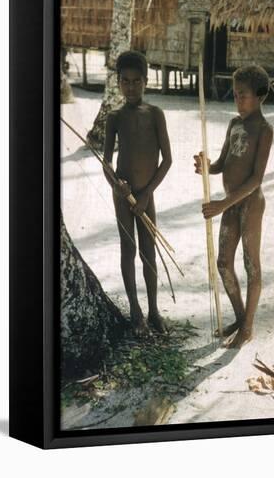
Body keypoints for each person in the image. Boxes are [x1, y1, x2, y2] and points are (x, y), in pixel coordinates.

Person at [194, 65, 274, 348]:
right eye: (236, 94)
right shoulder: (233, 124)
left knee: (251, 264)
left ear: (260, 97)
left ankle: (248, 327)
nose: (237, 100)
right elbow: (221, 164)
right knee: (223, 262)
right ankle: (241, 318)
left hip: (250, 204)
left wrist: (222, 204)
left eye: (243, 95)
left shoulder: (264, 130)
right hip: (230, 204)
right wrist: (207, 167)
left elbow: (255, 179)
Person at [103, 50, 172, 336]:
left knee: (149, 253)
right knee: (128, 250)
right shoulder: (114, 117)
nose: (130, 87)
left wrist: (146, 195)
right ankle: (135, 311)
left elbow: (167, 159)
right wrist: (116, 184)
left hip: (146, 196)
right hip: (123, 196)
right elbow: (106, 161)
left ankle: (154, 310)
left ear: (146, 81)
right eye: (125, 81)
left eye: (136, 81)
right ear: (118, 82)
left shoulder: (155, 114)